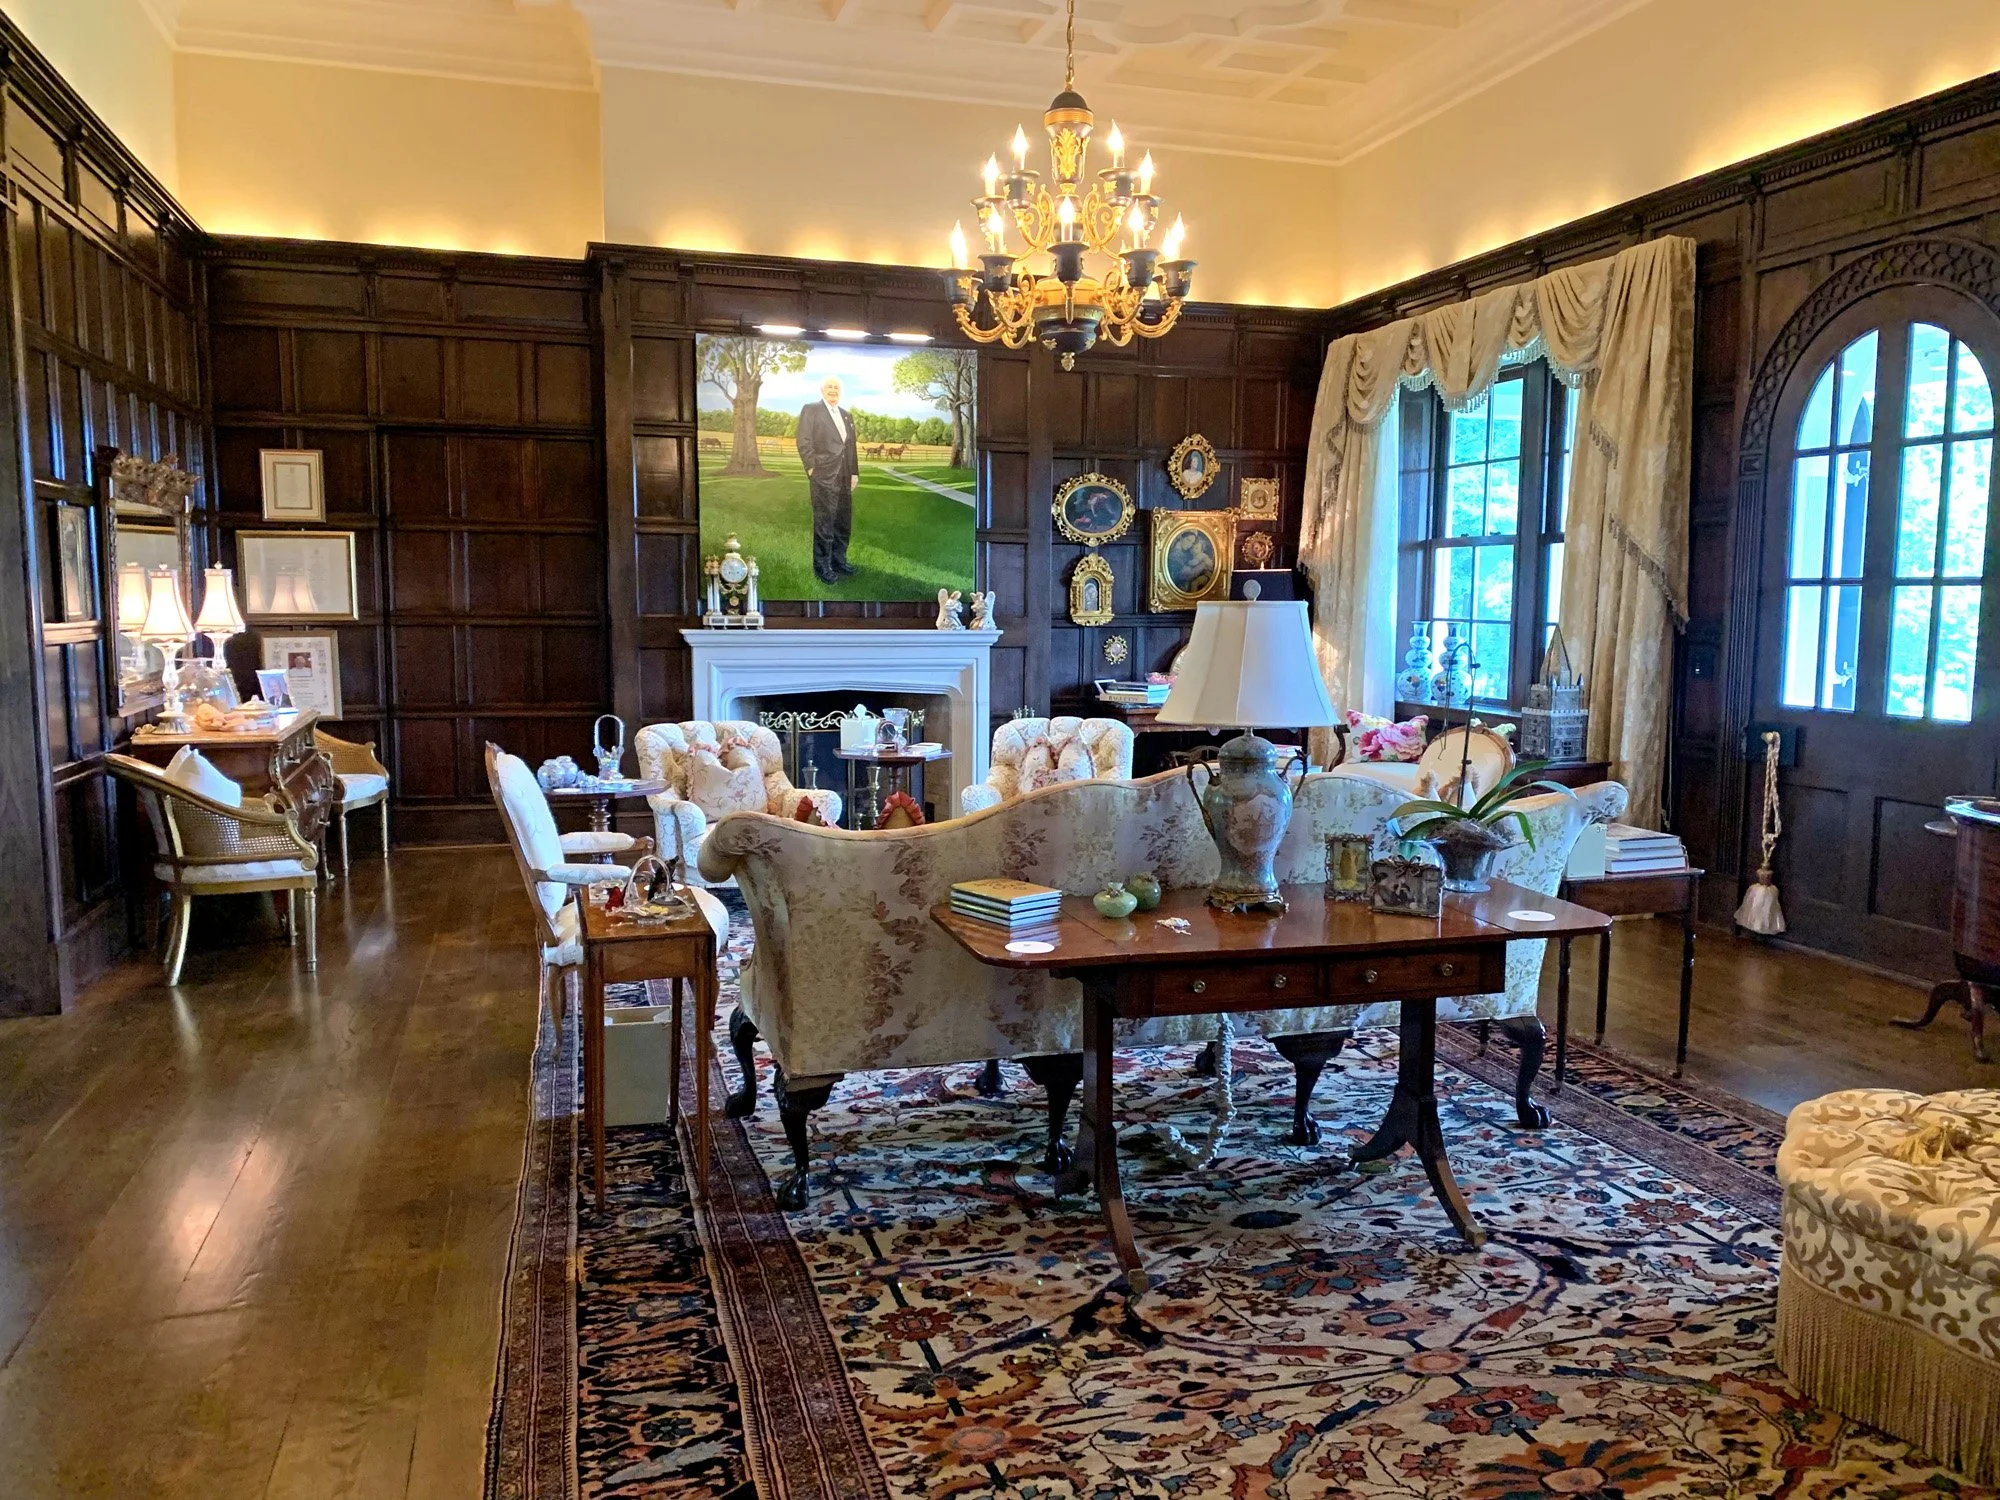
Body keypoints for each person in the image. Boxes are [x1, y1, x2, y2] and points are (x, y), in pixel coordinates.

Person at [795, 376, 860, 583]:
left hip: (844, 476)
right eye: (829, 387)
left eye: (836, 387)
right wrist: (811, 468)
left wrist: (854, 473)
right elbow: (803, 440)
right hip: (823, 474)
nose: (833, 390)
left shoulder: (846, 415)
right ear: (822, 390)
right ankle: (822, 566)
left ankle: (839, 561)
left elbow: (850, 446)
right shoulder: (811, 410)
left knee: (843, 521)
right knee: (824, 522)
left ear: (841, 392)